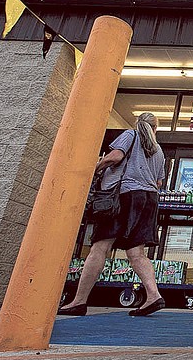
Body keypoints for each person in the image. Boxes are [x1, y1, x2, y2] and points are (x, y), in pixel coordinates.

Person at [58, 112, 167, 317]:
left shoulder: (130, 135)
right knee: (137, 253)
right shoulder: (159, 150)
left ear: (138, 124)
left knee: (100, 247)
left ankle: (79, 301)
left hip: (124, 197)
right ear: (155, 129)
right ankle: (153, 295)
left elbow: (116, 156)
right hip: (149, 199)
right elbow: (159, 182)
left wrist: (97, 168)